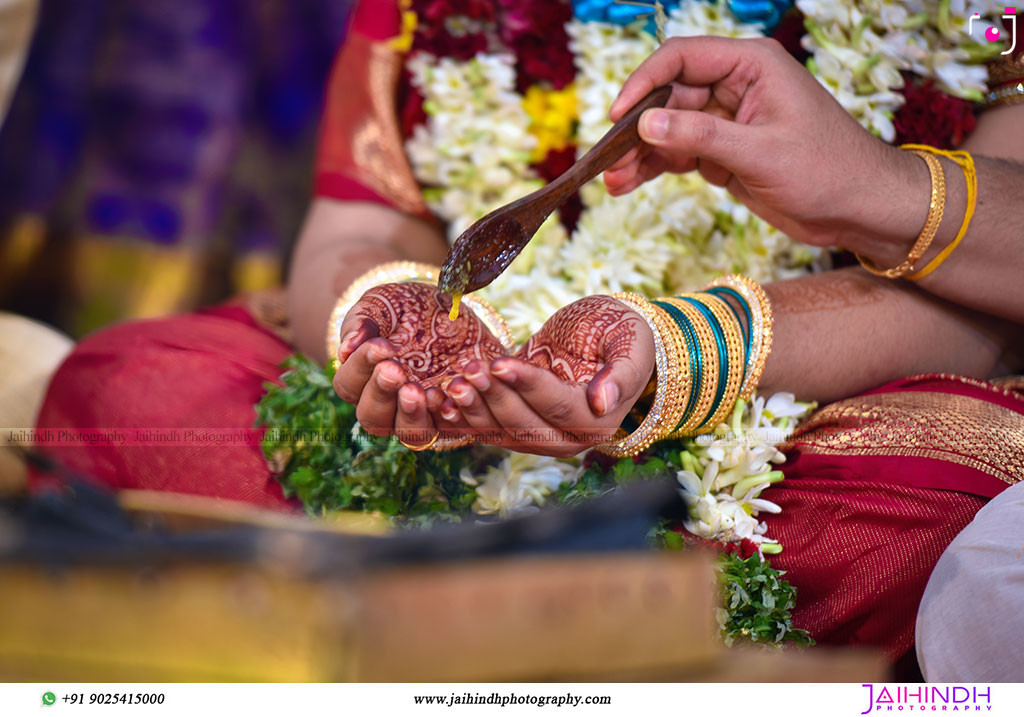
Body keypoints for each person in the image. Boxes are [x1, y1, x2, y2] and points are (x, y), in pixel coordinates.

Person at [33, 1, 1024, 667]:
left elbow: (980, 302)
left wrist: (666, 351)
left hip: (809, 399)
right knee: (134, 387)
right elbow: (360, 223)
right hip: (462, 396)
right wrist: (390, 330)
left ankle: (450, 602)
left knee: (927, 518)